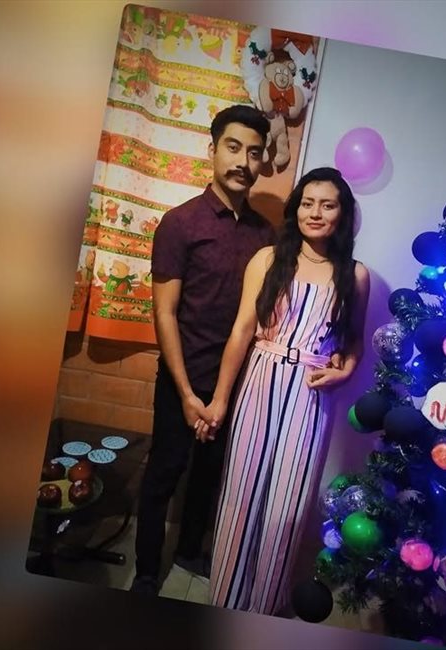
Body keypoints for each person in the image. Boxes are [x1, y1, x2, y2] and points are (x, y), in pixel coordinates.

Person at [195, 167, 371, 615]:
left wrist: (346, 372)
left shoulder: (355, 274)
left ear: (342, 214)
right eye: (308, 203)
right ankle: (225, 599)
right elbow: (242, 331)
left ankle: (263, 607)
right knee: (240, 494)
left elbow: (353, 343)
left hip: (311, 395)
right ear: (296, 209)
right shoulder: (268, 259)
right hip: (260, 380)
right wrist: (220, 399)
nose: (316, 212)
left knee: (286, 505)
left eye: (327, 205)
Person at [130, 105, 275, 596]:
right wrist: (188, 394)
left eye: (254, 153)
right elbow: (164, 314)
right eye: (233, 148)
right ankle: (146, 571)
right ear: (212, 150)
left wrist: (222, 395)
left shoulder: (265, 236)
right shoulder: (180, 224)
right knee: (164, 474)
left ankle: (190, 551)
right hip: (182, 380)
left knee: (210, 476)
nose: (243, 162)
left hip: (234, 384)